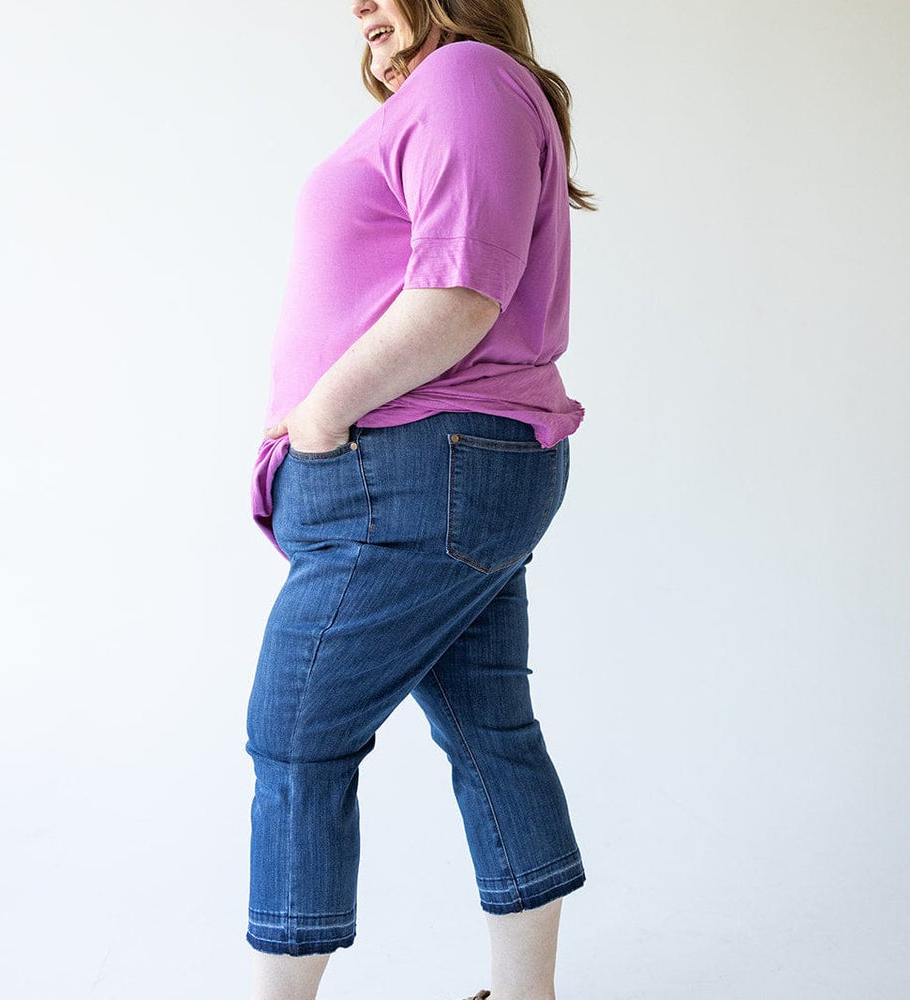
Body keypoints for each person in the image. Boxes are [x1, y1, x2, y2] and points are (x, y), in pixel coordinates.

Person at [245, 1, 597, 997]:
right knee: (490, 731)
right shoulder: (450, 92)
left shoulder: (466, 78)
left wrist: (320, 412)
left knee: (295, 738)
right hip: (433, 472)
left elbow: (460, 294)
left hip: (412, 469)